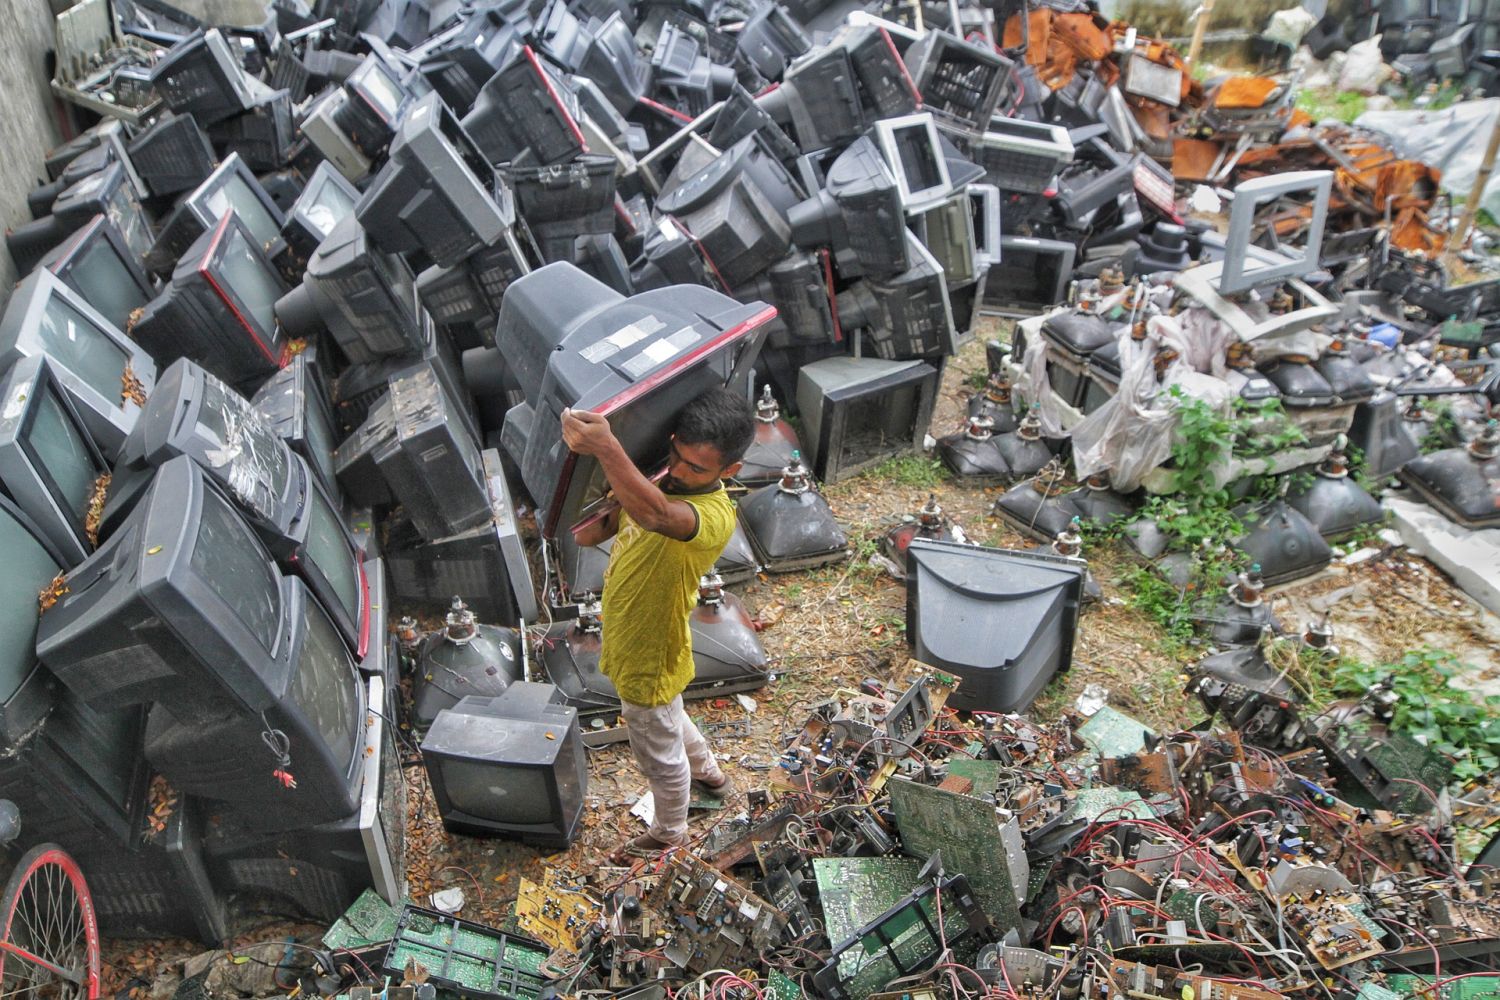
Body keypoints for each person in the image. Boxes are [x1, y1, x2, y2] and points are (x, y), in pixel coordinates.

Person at [561, 387, 756, 861]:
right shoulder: (659, 478)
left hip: (649, 647)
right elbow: (588, 532)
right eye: (677, 456)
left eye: (697, 468)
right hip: (634, 634)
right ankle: (711, 774)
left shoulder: (712, 514)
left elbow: (654, 514)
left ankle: (670, 831)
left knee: (656, 745)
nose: (681, 471)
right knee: (669, 717)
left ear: (729, 471)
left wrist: (608, 448)